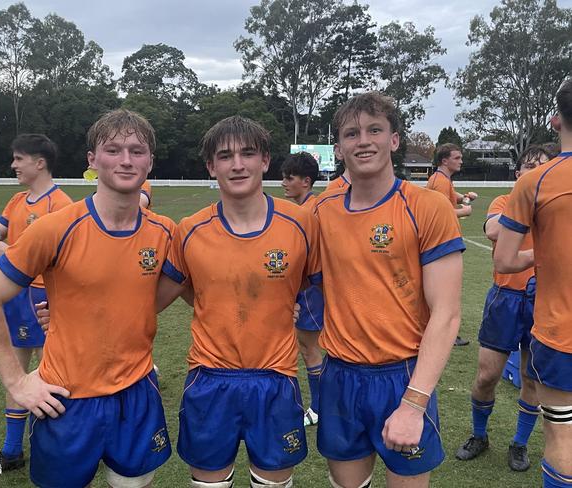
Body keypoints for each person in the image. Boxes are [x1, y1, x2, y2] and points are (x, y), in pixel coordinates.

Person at [0, 109, 174, 488]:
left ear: (150, 162)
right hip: (66, 397)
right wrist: (16, 382)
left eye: (136, 150)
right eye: (113, 150)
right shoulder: (55, 228)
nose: (126, 160)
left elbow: (177, 290)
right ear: (92, 161)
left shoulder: (166, 233)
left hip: (138, 393)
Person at [158, 116, 321, 488]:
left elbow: (322, 286)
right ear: (210, 166)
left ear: (265, 160)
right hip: (210, 379)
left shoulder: (301, 223)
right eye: (225, 155)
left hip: (276, 379)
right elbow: (152, 299)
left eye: (248, 153)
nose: (237, 164)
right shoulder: (190, 230)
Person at [314, 92, 465, 488]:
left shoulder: (428, 207)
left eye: (374, 130)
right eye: (352, 133)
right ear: (339, 148)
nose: (363, 140)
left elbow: (447, 314)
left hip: (402, 376)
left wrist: (414, 403)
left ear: (394, 140)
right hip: (340, 375)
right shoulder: (320, 211)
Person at [0, 134, 72, 478]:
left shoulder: (61, 205)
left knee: (55, 374)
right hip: (14, 296)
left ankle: (66, 445)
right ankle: (12, 451)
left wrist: (8, 249)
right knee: (16, 372)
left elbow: (64, 259)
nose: (13, 165)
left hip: (45, 297)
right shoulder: (17, 201)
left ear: (39, 163)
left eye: (18, 159)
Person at [495, 78, 572, 488]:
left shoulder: (537, 179)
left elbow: (506, 259)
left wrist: (544, 255)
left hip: (560, 332)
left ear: (555, 120)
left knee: (562, 434)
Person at [455, 145, 552, 471]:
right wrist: (528, 201)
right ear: (518, 174)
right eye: (530, 167)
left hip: (543, 300)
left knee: (531, 379)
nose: (536, 173)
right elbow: (493, 229)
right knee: (487, 376)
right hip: (505, 298)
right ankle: (479, 435)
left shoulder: (555, 207)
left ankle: (520, 444)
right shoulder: (503, 202)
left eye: (542, 168)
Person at [281, 151, 324, 427]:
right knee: (309, 347)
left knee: (310, 348)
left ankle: (319, 408)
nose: (284, 182)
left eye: (290, 178)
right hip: (308, 290)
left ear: (306, 181)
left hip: (309, 290)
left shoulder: (309, 211)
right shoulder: (308, 207)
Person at [426, 142, 476, 347]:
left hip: (443, 240)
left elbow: (450, 196)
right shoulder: (439, 181)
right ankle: (445, 332)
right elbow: (439, 212)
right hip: (442, 241)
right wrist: (464, 211)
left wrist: (464, 197)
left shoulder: (443, 179)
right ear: (444, 160)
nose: (461, 161)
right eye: (457, 158)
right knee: (445, 291)